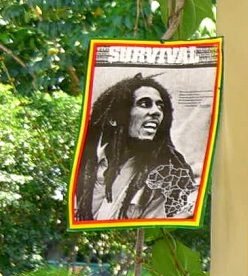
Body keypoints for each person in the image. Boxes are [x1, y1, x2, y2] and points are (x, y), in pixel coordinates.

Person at [71, 74, 199, 224]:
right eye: (145, 104)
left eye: (160, 106)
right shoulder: (86, 167)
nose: (157, 112)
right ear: (114, 118)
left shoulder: (170, 174)